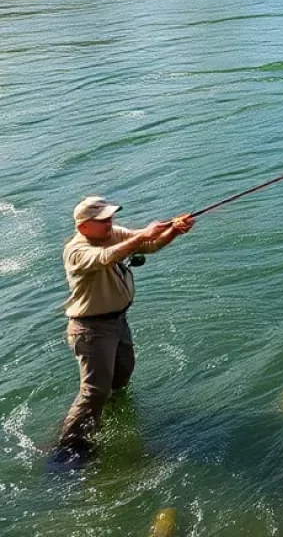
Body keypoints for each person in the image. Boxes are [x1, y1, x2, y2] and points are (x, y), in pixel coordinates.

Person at [53, 195, 194, 465]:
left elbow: (149, 244)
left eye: (110, 217)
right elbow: (106, 257)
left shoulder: (113, 234)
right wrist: (142, 236)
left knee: (121, 376)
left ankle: (102, 415)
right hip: (91, 330)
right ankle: (68, 449)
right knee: (93, 391)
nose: (110, 223)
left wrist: (173, 231)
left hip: (117, 322)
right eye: (103, 220)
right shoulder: (76, 250)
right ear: (84, 226)